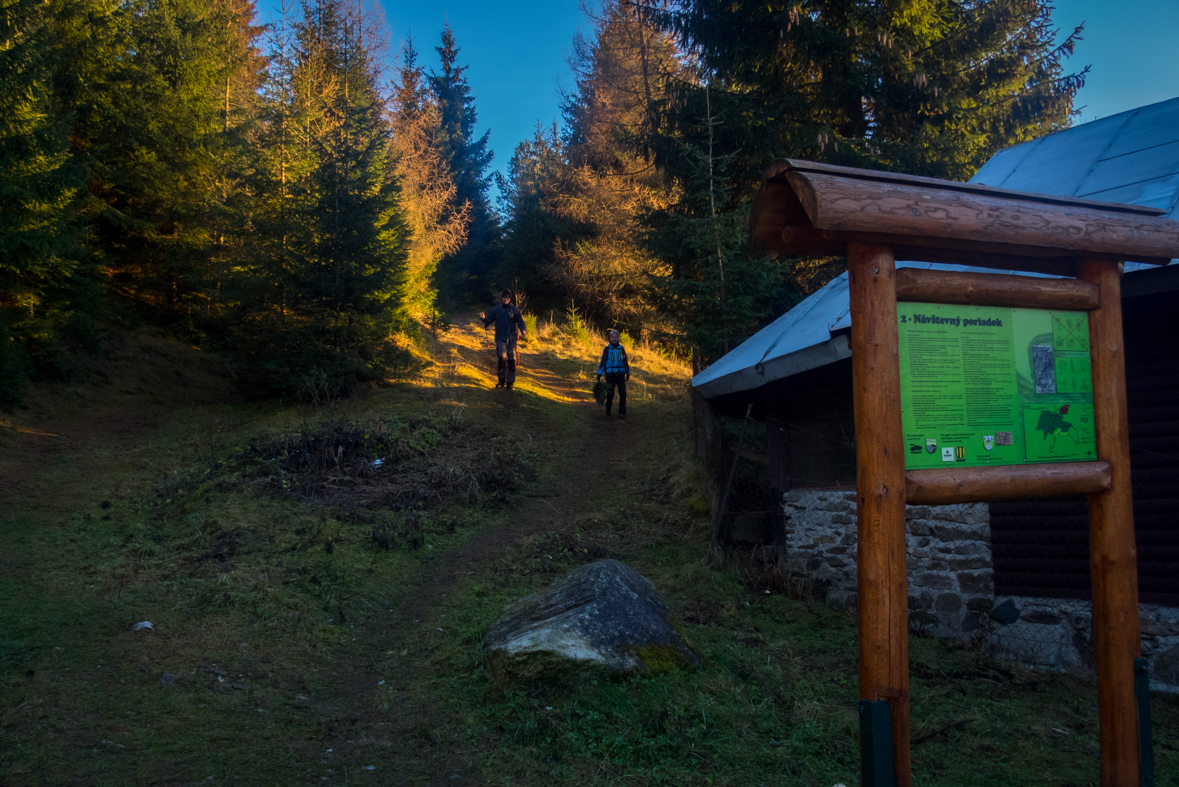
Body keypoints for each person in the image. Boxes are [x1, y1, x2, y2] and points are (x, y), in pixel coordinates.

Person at [480, 291, 527, 389]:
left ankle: (510, 382)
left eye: (507, 298)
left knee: (511, 359)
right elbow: (489, 320)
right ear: (502, 298)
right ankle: (501, 380)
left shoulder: (515, 310)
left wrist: (523, 330)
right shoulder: (496, 309)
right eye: (504, 297)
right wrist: (484, 319)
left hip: (512, 338)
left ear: (510, 299)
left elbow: (521, 321)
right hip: (500, 337)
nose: (505, 299)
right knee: (502, 356)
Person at [596, 329, 630, 419]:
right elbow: (603, 363)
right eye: (612, 337)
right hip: (609, 374)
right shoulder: (607, 349)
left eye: (616, 337)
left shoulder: (621, 349)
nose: (614, 339)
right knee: (610, 393)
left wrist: (628, 372)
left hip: (620, 373)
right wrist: (599, 374)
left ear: (618, 338)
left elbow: (625, 362)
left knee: (622, 393)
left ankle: (622, 412)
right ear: (610, 338)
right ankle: (608, 408)